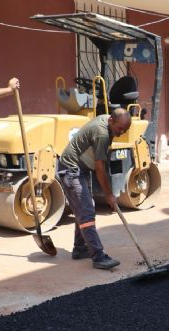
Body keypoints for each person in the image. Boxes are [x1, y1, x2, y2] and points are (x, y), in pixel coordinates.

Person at [57, 108, 132, 270]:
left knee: (83, 207)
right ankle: (98, 256)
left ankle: (80, 248)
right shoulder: (102, 134)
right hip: (71, 169)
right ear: (111, 120)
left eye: (126, 129)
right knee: (87, 211)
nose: (122, 132)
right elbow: (100, 167)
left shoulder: (107, 121)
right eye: (120, 128)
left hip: (81, 168)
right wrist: (109, 195)